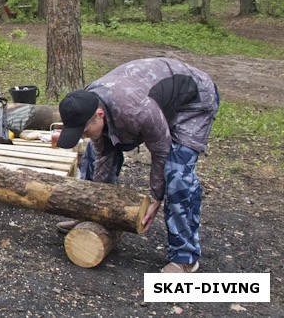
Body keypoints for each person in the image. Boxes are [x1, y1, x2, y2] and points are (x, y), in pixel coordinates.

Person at [55, 58, 219, 273]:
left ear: (99, 115)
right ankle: (91, 218)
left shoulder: (137, 111)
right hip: (150, 99)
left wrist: (155, 197)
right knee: (95, 153)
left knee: (176, 171)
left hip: (193, 101)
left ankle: (185, 256)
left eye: (84, 131)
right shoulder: (89, 101)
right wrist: (95, 205)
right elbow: (105, 154)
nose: (83, 136)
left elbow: (161, 151)